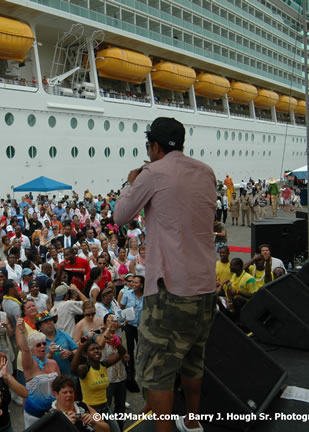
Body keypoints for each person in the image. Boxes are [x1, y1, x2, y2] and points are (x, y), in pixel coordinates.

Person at [113, 117, 218, 432]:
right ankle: (193, 421)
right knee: (192, 357)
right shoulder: (207, 172)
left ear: (154, 146)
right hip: (205, 287)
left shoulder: (151, 173)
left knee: (157, 368)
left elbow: (120, 216)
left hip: (170, 289)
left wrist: (131, 181)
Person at [16, 317, 60, 428]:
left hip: (53, 412)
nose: (42, 346)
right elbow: (24, 349)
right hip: (34, 415)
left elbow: (61, 386)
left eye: (44, 344)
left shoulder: (53, 363)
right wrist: (21, 331)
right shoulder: (30, 365)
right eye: (38, 345)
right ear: (32, 348)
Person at [35, 311, 77, 376]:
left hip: (68, 376)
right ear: (40, 327)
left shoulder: (63, 335)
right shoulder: (38, 341)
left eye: (50, 320)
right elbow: (36, 363)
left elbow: (76, 350)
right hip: (49, 379)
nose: (49, 323)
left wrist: (70, 353)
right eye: (45, 322)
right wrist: (50, 355)